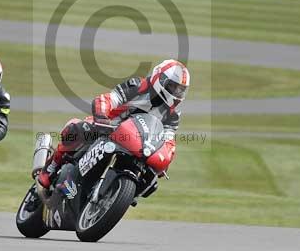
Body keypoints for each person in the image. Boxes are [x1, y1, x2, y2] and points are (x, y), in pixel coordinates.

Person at [37, 59, 189, 189]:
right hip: (107, 127)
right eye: (172, 87)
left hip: (135, 143)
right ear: (159, 78)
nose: (176, 93)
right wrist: (101, 116)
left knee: (150, 181)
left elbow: (168, 141)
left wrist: (164, 160)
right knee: (78, 129)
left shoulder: (173, 114)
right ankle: (51, 167)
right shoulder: (138, 86)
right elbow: (108, 99)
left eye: (180, 90)